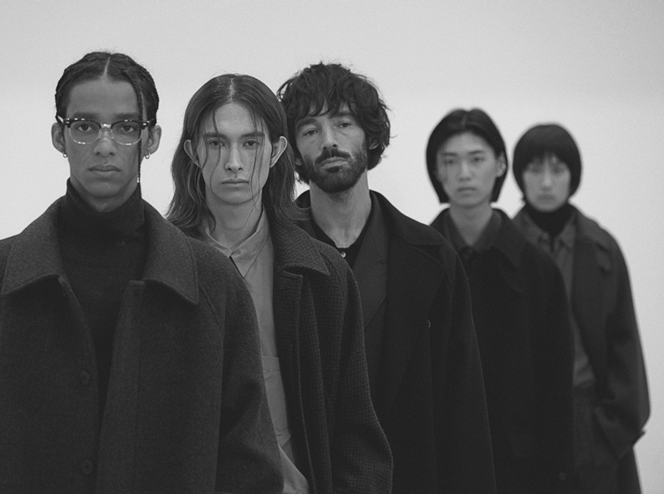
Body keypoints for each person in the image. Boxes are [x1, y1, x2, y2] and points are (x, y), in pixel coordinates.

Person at [0, 52, 282, 494]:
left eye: (126, 127)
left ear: (151, 139)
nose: (105, 145)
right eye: (85, 126)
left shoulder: (213, 286)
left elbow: (250, 467)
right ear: (59, 135)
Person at [167, 73, 393, 494]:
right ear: (193, 152)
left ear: (276, 151)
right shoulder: (159, 270)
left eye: (251, 143)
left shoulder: (322, 273)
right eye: (216, 143)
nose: (234, 162)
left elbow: (355, 428)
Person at [278, 63, 495, 493]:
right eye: (310, 130)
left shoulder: (432, 258)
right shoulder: (273, 252)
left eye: (344, 123)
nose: (329, 141)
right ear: (293, 151)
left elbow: (464, 411)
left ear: (370, 136)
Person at [425, 108, 575, 493]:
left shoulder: (538, 269)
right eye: (450, 161)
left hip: (519, 468)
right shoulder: (416, 261)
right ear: (436, 171)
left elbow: (556, 389)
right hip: (436, 462)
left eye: (476, 159)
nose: (464, 173)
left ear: (501, 165)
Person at [512, 123, 650, 494]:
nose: (545, 182)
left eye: (557, 169)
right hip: (525, 421)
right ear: (518, 175)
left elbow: (625, 345)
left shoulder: (602, 248)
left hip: (591, 417)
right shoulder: (503, 247)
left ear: (573, 176)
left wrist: (611, 431)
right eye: (534, 169)